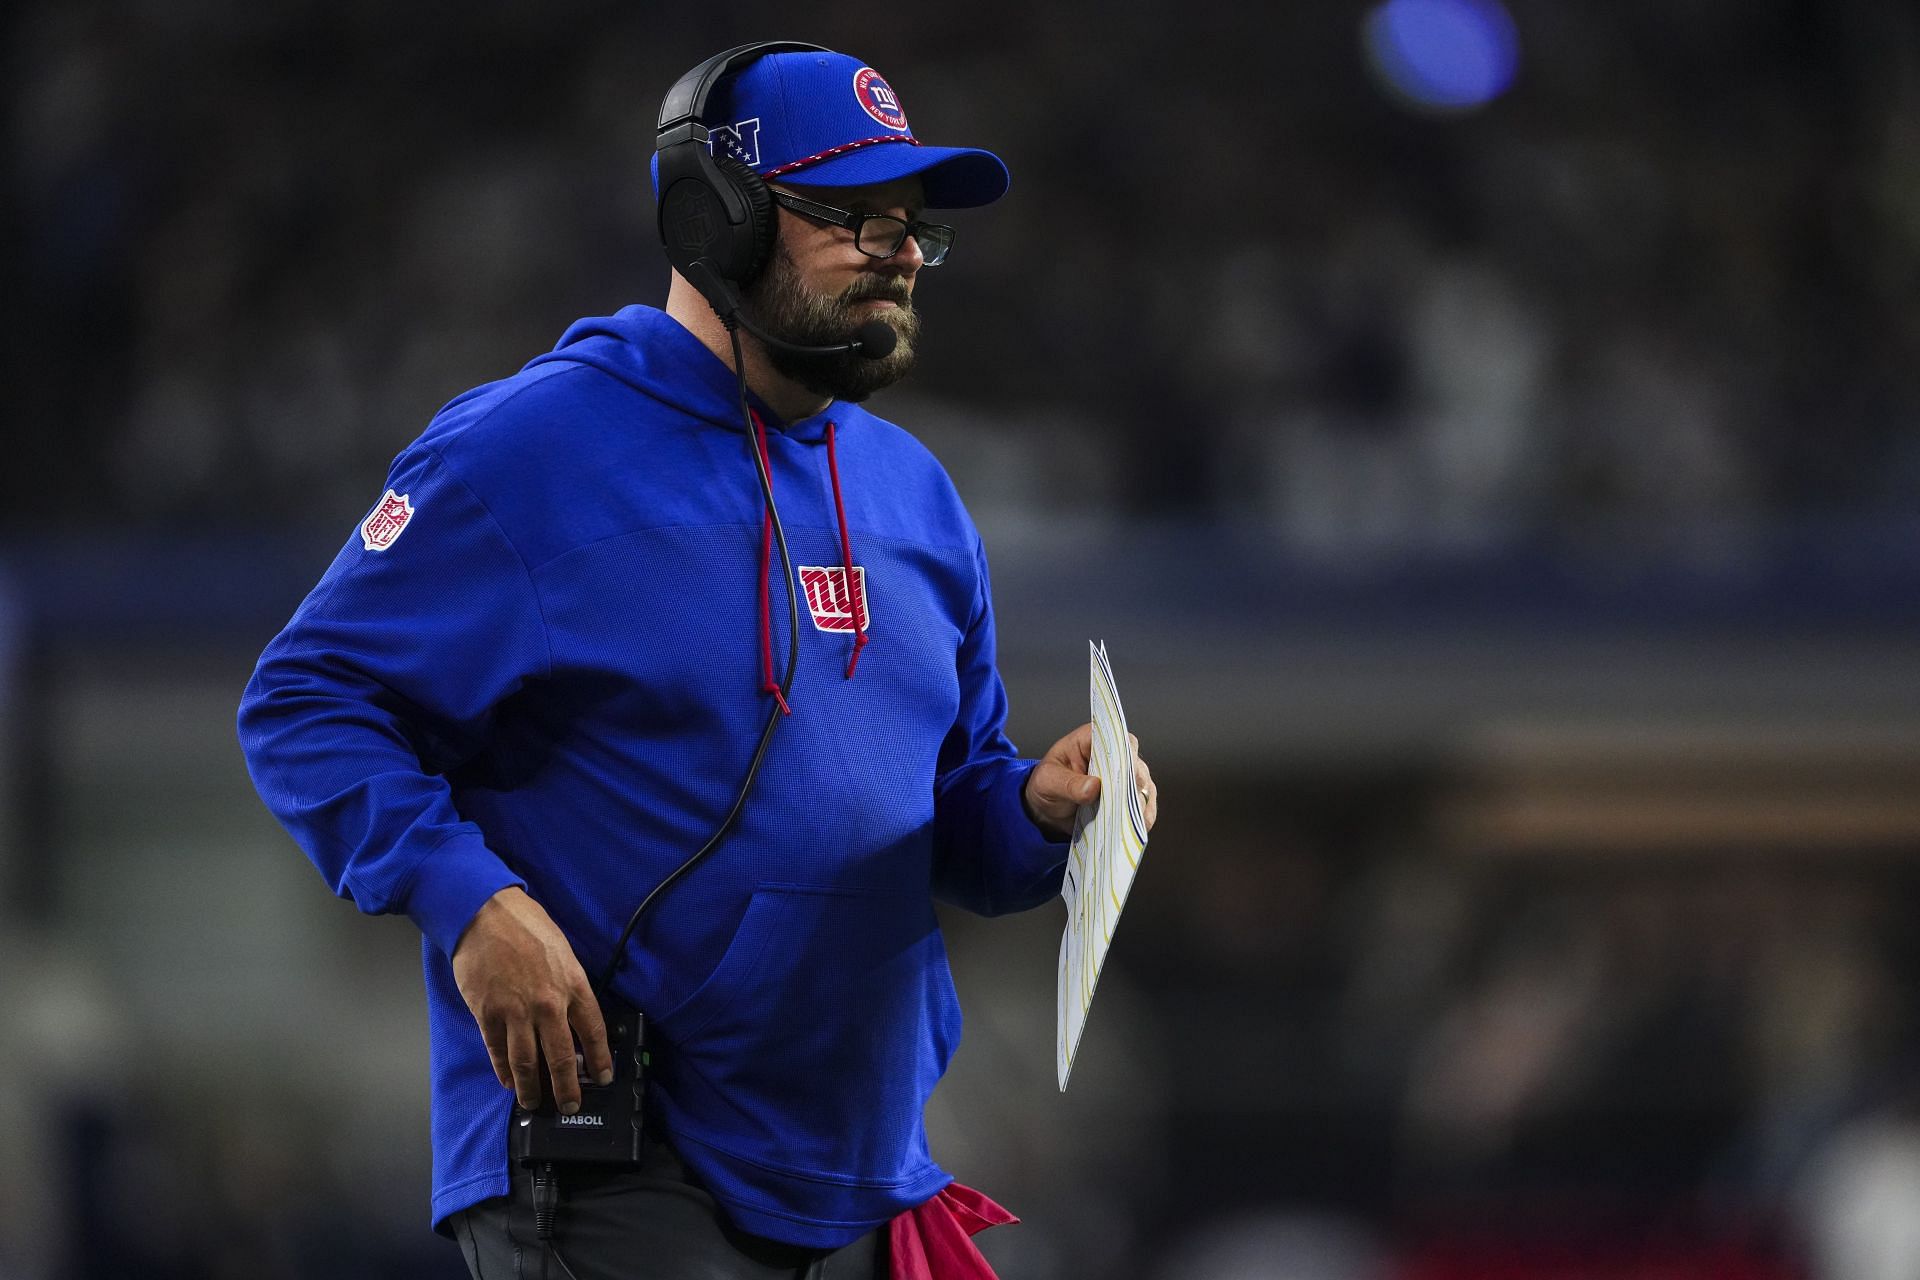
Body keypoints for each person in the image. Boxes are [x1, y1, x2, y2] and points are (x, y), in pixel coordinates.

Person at [236, 42, 1158, 1280]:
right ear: (710, 220)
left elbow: (954, 822)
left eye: (910, 228)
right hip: (619, 1162)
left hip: (861, 1167)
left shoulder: (918, 497)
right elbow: (305, 700)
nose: (895, 253)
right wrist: (469, 901)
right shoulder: (530, 450)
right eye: (849, 216)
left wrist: (1040, 808)